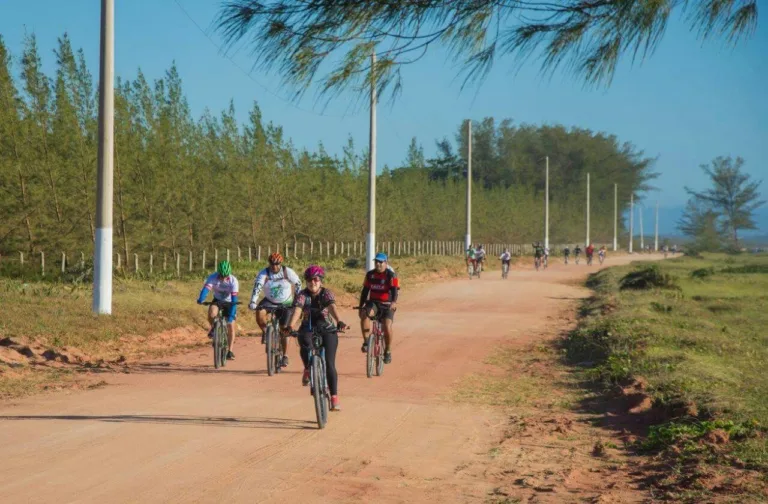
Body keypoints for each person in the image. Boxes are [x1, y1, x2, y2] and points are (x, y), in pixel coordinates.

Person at [287, 265, 347, 411]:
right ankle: (308, 368)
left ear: (320, 280)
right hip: (308, 327)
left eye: (315, 279)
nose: (312, 282)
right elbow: (297, 310)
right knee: (304, 343)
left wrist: (339, 321)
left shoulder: (326, 294)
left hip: (327, 328)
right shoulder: (302, 295)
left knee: (330, 364)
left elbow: (332, 307)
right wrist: (290, 326)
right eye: (309, 280)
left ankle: (334, 397)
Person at [248, 252, 302, 368]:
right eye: (272, 264)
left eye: (277, 264)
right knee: (259, 313)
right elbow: (257, 287)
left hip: (286, 302)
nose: (274, 266)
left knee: (284, 329)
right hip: (269, 300)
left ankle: (285, 356)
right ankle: (266, 332)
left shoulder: (288, 272)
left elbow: (298, 284)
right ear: (269, 263)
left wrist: (297, 300)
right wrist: (253, 301)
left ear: (280, 263)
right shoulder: (264, 273)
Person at [359, 252, 400, 364]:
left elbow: (395, 290)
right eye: (376, 262)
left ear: (386, 263)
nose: (378, 264)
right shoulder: (369, 275)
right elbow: (365, 291)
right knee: (364, 315)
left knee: (387, 325)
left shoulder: (392, 275)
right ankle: (366, 342)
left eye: (381, 262)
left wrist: (393, 302)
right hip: (374, 303)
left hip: (387, 304)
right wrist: (361, 305)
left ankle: (387, 350)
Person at [197, 261, 239, 360]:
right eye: (221, 275)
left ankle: (230, 351)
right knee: (212, 313)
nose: (223, 278)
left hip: (230, 302)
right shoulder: (212, 277)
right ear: (218, 273)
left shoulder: (234, 281)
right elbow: (206, 289)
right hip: (218, 300)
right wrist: (201, 299)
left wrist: (231, 316)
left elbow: (234, 300)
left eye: (225, 276)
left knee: (231, 325)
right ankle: (214, 328)